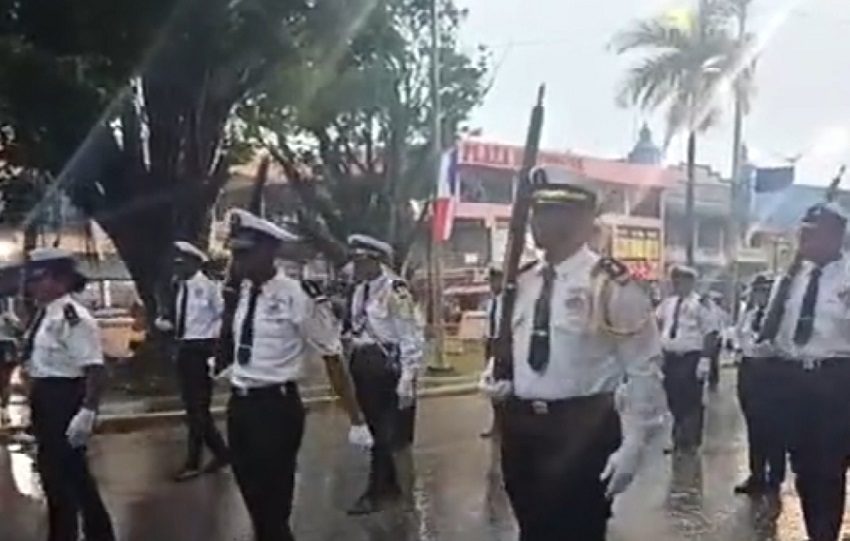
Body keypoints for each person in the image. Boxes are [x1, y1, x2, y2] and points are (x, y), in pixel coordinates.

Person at [479, 171, 666, 541]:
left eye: (550, 212)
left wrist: (634, 443)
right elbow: (510, 346)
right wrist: (496, 377)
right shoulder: (522, 282)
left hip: (583, 430)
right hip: (523, 429)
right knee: (532, 531)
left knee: (577, 532)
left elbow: (643, 367)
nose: (536, 221)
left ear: (580, 220)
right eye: (536, 211)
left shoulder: (611, 284)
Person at [221, 209, 372, 541]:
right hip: (240, 405)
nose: (237, 262)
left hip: (275, 408)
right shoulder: (241, 293)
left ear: (269, 252)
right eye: (235, 253)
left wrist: (356, 418)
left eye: (245, 253)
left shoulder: (298, 296)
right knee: (253, 498)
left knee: (273, 507)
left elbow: (331, 355)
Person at [756, 201, 850, 541]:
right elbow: (776, 332)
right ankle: (817, 530)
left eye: (814, 234)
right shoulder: (793, 278)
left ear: (837, 236)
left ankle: (825, 533)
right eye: (804, 233)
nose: (805, 241)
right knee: (804, 468)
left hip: (836, 380)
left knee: (829, 468)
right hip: (794, 381)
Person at [21, 247, 115, 541]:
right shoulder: (46, 313)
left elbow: (95, 369)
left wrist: (87, 411)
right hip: (46, 397)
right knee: (66, 476)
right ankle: (97, 534)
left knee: (63, 479)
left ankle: (69, 535)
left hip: (63, 398)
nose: (32, 285)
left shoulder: (73, 317)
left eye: (39, 279)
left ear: (60, 280)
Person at [345, 234, 424, 515]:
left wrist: (407, 378)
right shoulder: (359, 290)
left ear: (375, 261)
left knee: (385, 433)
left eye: (361, 261)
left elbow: (410, 336)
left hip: (386, 367)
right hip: (362, 364)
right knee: (375, 429)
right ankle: (389, 485)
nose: (355, 267)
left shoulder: (395, 290)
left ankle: (376, 492)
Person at [155, 241, 229, 481]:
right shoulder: (178, 287)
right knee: (194, 408)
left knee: (198, 409)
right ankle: (221, 453)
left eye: (183, 262)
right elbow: (177, 316)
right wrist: (167, 324)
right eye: (176, 262)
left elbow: (221, 316)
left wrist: (213, 348)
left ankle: (193, 462)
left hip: (201, 349)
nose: (178, 267)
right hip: (184, 348)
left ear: (196, 263)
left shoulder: (208, 287)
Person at [733, 274, 786, 495]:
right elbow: (739, 337)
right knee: (753, 425)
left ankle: (775, 475)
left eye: (765, 292)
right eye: (758, 291)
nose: (761, 296)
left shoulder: (781, 316)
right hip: (749, 369)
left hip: (772, 370)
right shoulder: (749, 314)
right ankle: (756, 474)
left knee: (774, 426)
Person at [656, 266, 715, 453]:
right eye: (674, 280)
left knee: (691, 399)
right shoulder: (668, 304)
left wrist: (705, 360)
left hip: (690, 357)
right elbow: (658, 324)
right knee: (672, 397)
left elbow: (710, 333)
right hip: (670, 357)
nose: (676, 284)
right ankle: (678, 436)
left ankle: (690, 440)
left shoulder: (701, 304)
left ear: (690, 282)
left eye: (680, 280)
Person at [480, 266, 503, 439]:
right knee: (492, 385)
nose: (492, 285)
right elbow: (489, 323)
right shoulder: (491, 301)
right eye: (490, 281)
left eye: (495, 280)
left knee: (503, 386)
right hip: (491, 344)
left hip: (503, 345)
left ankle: (503, 425)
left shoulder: (509, 301)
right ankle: (496, 424)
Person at [0, 296, 20, 425]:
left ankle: (4, 409)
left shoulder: (8, 302)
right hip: (7, 343)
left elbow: (18, 327)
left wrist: (11, 321)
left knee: (5, 379)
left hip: (7, 343)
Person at [705, 290, 729, 390]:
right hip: (714, 336)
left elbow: (722, 324)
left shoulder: (716, 311)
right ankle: (712, 380)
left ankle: (713, 380)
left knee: (713, 359)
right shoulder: (715, 310)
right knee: (712, 359)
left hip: (715, 336)